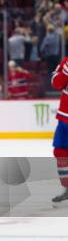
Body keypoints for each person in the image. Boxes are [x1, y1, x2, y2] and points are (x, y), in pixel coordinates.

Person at [51, 57, 68, 207]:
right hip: (64, 117)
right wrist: (65, 72)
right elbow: (56, 84)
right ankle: (67, 186)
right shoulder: (66, 61)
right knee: (60, 151)